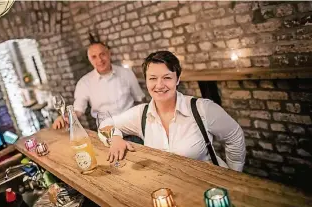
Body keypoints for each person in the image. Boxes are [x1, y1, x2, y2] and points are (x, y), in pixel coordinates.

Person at [103, 51, 246, 172]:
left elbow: (235, 135)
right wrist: (115, 138)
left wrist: (234, 174)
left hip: (210, 189)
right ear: (146, 81)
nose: (159, 85)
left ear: (177, 79)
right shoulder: (141, 114)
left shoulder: (202, 108)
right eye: (153, 78)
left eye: (167, 78)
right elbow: (106, 124)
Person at [52, 42, 145, 133]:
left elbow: (139, 99)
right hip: (108, 131)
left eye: (102, 54)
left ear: (109, 53)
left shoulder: (126, 73)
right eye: (94, 57)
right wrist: (66, 117)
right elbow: (78, 110)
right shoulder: (84, 83)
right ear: (89, 59)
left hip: (132, 127)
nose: (100, 60)